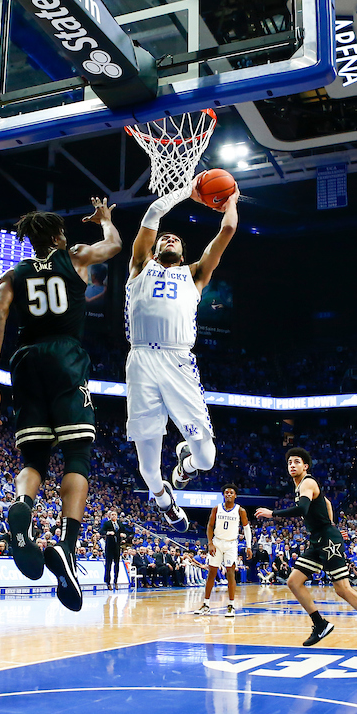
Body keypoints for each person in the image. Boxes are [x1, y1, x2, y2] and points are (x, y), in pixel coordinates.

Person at [0, 197, 121, 612]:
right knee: (77, 454)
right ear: (59, 236)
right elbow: (114, 245)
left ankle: (22, 505)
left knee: (34, 459)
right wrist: (106, 220)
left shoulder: (13, 275)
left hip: (26, 362)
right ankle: (67, 545)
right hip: (65, 357)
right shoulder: (74, 256)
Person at [125, 178, 239, 534]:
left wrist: (232, 200)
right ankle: (164, 500)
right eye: (164, 238)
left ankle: (185, 465)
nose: (169, 238)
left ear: (183, 252)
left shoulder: (195, 274)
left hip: (178, 362)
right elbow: (153, 213)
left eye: (175, 238)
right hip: (141, 361)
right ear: (155, 249)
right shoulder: (141, 265)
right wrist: (185, 193)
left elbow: (228, 230)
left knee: (207, 460)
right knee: (147, 469)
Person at [254, 448, 357, 651]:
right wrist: (332, 524)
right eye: (289, 462)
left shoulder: (307, 482)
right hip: (318, 539)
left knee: (342, 589)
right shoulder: (301, 486)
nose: (292, 465)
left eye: (296, 462)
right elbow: (326, 501)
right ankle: (320, 624)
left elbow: (302, 509)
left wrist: (272, 513)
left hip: (328, 541)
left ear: (305, 466)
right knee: (293, 581)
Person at [195, 484, 251, 617]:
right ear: (223, 495)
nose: (228, 494)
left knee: (230, 573)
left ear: (235, 495)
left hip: (231, 544)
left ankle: (231, 605)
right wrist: (210, 543)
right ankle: (206, 604)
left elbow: (246, 528)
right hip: (217, 542)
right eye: (226, 492)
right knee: (211, 573)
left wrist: (248, 546)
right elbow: (210, 526)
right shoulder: (217, 508)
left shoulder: (240, 510)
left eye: (231, 492)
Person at [101, 509, 123, 591]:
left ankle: (115, 581)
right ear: (110, 516)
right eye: (112, 515)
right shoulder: (107, 523)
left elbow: (126, 532)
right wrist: (107, 533)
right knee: (108, 565)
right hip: (109, 547)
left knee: (117, 565)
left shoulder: (119, 524)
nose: (114, 516)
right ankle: (108, 581)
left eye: (115, 515)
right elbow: (101, 531)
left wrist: (124, 535)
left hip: (117, 547)